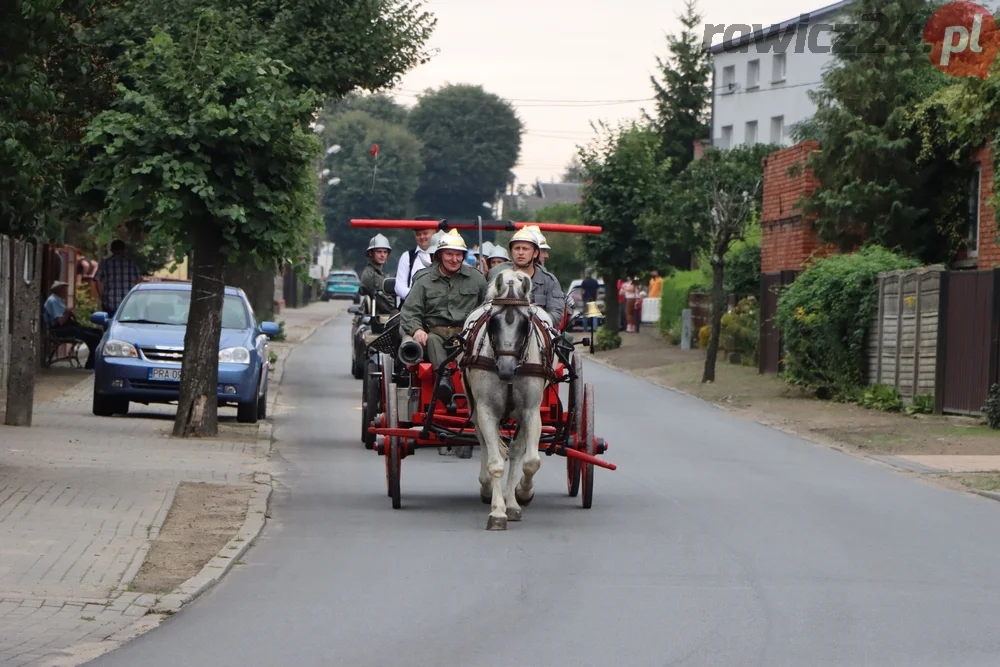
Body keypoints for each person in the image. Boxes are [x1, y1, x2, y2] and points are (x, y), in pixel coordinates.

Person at [400, 229, 487, 390]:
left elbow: (487, 309)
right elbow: (410, 311)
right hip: (435, 335)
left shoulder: (477, 279)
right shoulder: (424, 280)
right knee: (432, 339)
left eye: (459, 255)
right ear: (439, 255)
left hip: (467, 336)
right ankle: (444, 378)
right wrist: (417, 329)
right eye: (449, 254)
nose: (454, 259)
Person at [486, 226, 565, 325]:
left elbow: (557, 315)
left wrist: (532, 323)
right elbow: (487, 310)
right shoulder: (501, 279)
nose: (520, 253)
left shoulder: (549, 281)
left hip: (540, 335)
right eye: (516, 248)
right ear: (511, 252)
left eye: (525, 249)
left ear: (535, 253)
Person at [43, 281, 103, 369]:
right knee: (94, 338)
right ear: (58, 290)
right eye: (63, 290)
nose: (65, 292)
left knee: (97, 332)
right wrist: (68, 312)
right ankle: (91, 364)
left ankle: (94, 361)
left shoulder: (58, 300)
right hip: (60, 329)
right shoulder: (53, 301)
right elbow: (60, 321)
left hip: (68, 326)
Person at [94, 239, 142, 318]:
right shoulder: (131, 264)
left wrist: (102, 297)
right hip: (128, 303)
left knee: (110, 325)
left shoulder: (105, 264)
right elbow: (139, 281)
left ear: (112, 250)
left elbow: (98, 281)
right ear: (124, 250)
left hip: (110, 303)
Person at [393, 221, 435, 304]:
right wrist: (415, 298)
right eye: (418, 234)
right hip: (411, 307)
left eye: (425, 233)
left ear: (434, 232)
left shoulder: (443, 255)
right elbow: (399, 286)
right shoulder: (407, 256)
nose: (422, 237)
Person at [360, 234, 396, 315]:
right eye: (379, 252)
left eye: (385, 252)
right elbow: (387, 303)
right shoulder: (372, 275)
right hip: (379, 319)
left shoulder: (379, 273)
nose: (382, 255)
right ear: (370, 253)